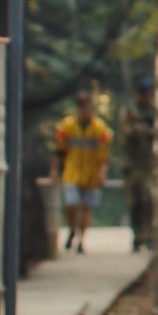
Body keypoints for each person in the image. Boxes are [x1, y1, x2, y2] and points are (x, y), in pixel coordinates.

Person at [50, 87, 112, 255]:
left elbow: (104, 154)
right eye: (83, 107)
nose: (86, 111)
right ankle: (72, 230)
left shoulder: (99, 129)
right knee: (70, 205)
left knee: (86, 208)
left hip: (91, 174)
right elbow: (58, 150)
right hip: (72, 172)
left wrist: (101, 172)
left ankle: (81, 240)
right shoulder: (67, 126)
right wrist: (54, 170)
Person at [120, 74, 156, 250]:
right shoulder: (130, 111)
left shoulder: (156, 111)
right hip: (132, 165)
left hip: (150, 165)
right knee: (134, 202)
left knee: (148, 200)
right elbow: (125, 131)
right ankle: (137, 237)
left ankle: (148, 235)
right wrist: (139, 131)